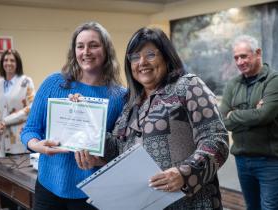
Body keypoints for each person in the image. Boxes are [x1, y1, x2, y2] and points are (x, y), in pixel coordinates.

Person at [75, 27, 229, 209]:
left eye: (150, 55)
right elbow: (118, 149)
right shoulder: (131, 103)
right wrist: (83, 114)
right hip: (143, 203)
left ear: (166, 56)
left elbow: (216, 139)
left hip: (190, 203)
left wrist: (184, 173)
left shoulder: (187, 86)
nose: (142, 62)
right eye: (135, 57)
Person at [20, 21, 126, 210]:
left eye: (93, 45)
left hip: (91, 192)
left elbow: (121, 149)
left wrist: (99, 161)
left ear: (106, 50)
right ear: (74, 51)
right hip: (48, 187)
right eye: (80, 46)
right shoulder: (54, 83)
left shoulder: (119, 96)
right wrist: (37, 145)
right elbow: (30, 129)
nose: (86, 51)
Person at [220, 35, 278, 210]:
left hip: (269, 161)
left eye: (244, 56)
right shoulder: (232, 84)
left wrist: (234, 114)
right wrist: (254, 112)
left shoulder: (273, 80)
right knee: (252, 207)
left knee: (269, 207)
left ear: (258, 53)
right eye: (236, 57)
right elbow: (223, 120)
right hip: (242, 160)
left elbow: (264, 116)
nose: (239, 62)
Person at [0, 49, 35, 157]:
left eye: (12, 60)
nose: (8, 63)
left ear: (18, 63)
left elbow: (31, 108)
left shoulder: (26, 82)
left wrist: (5, 121)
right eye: (5, 60)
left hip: (18, 141)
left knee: (19, 173)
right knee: (0, 172)